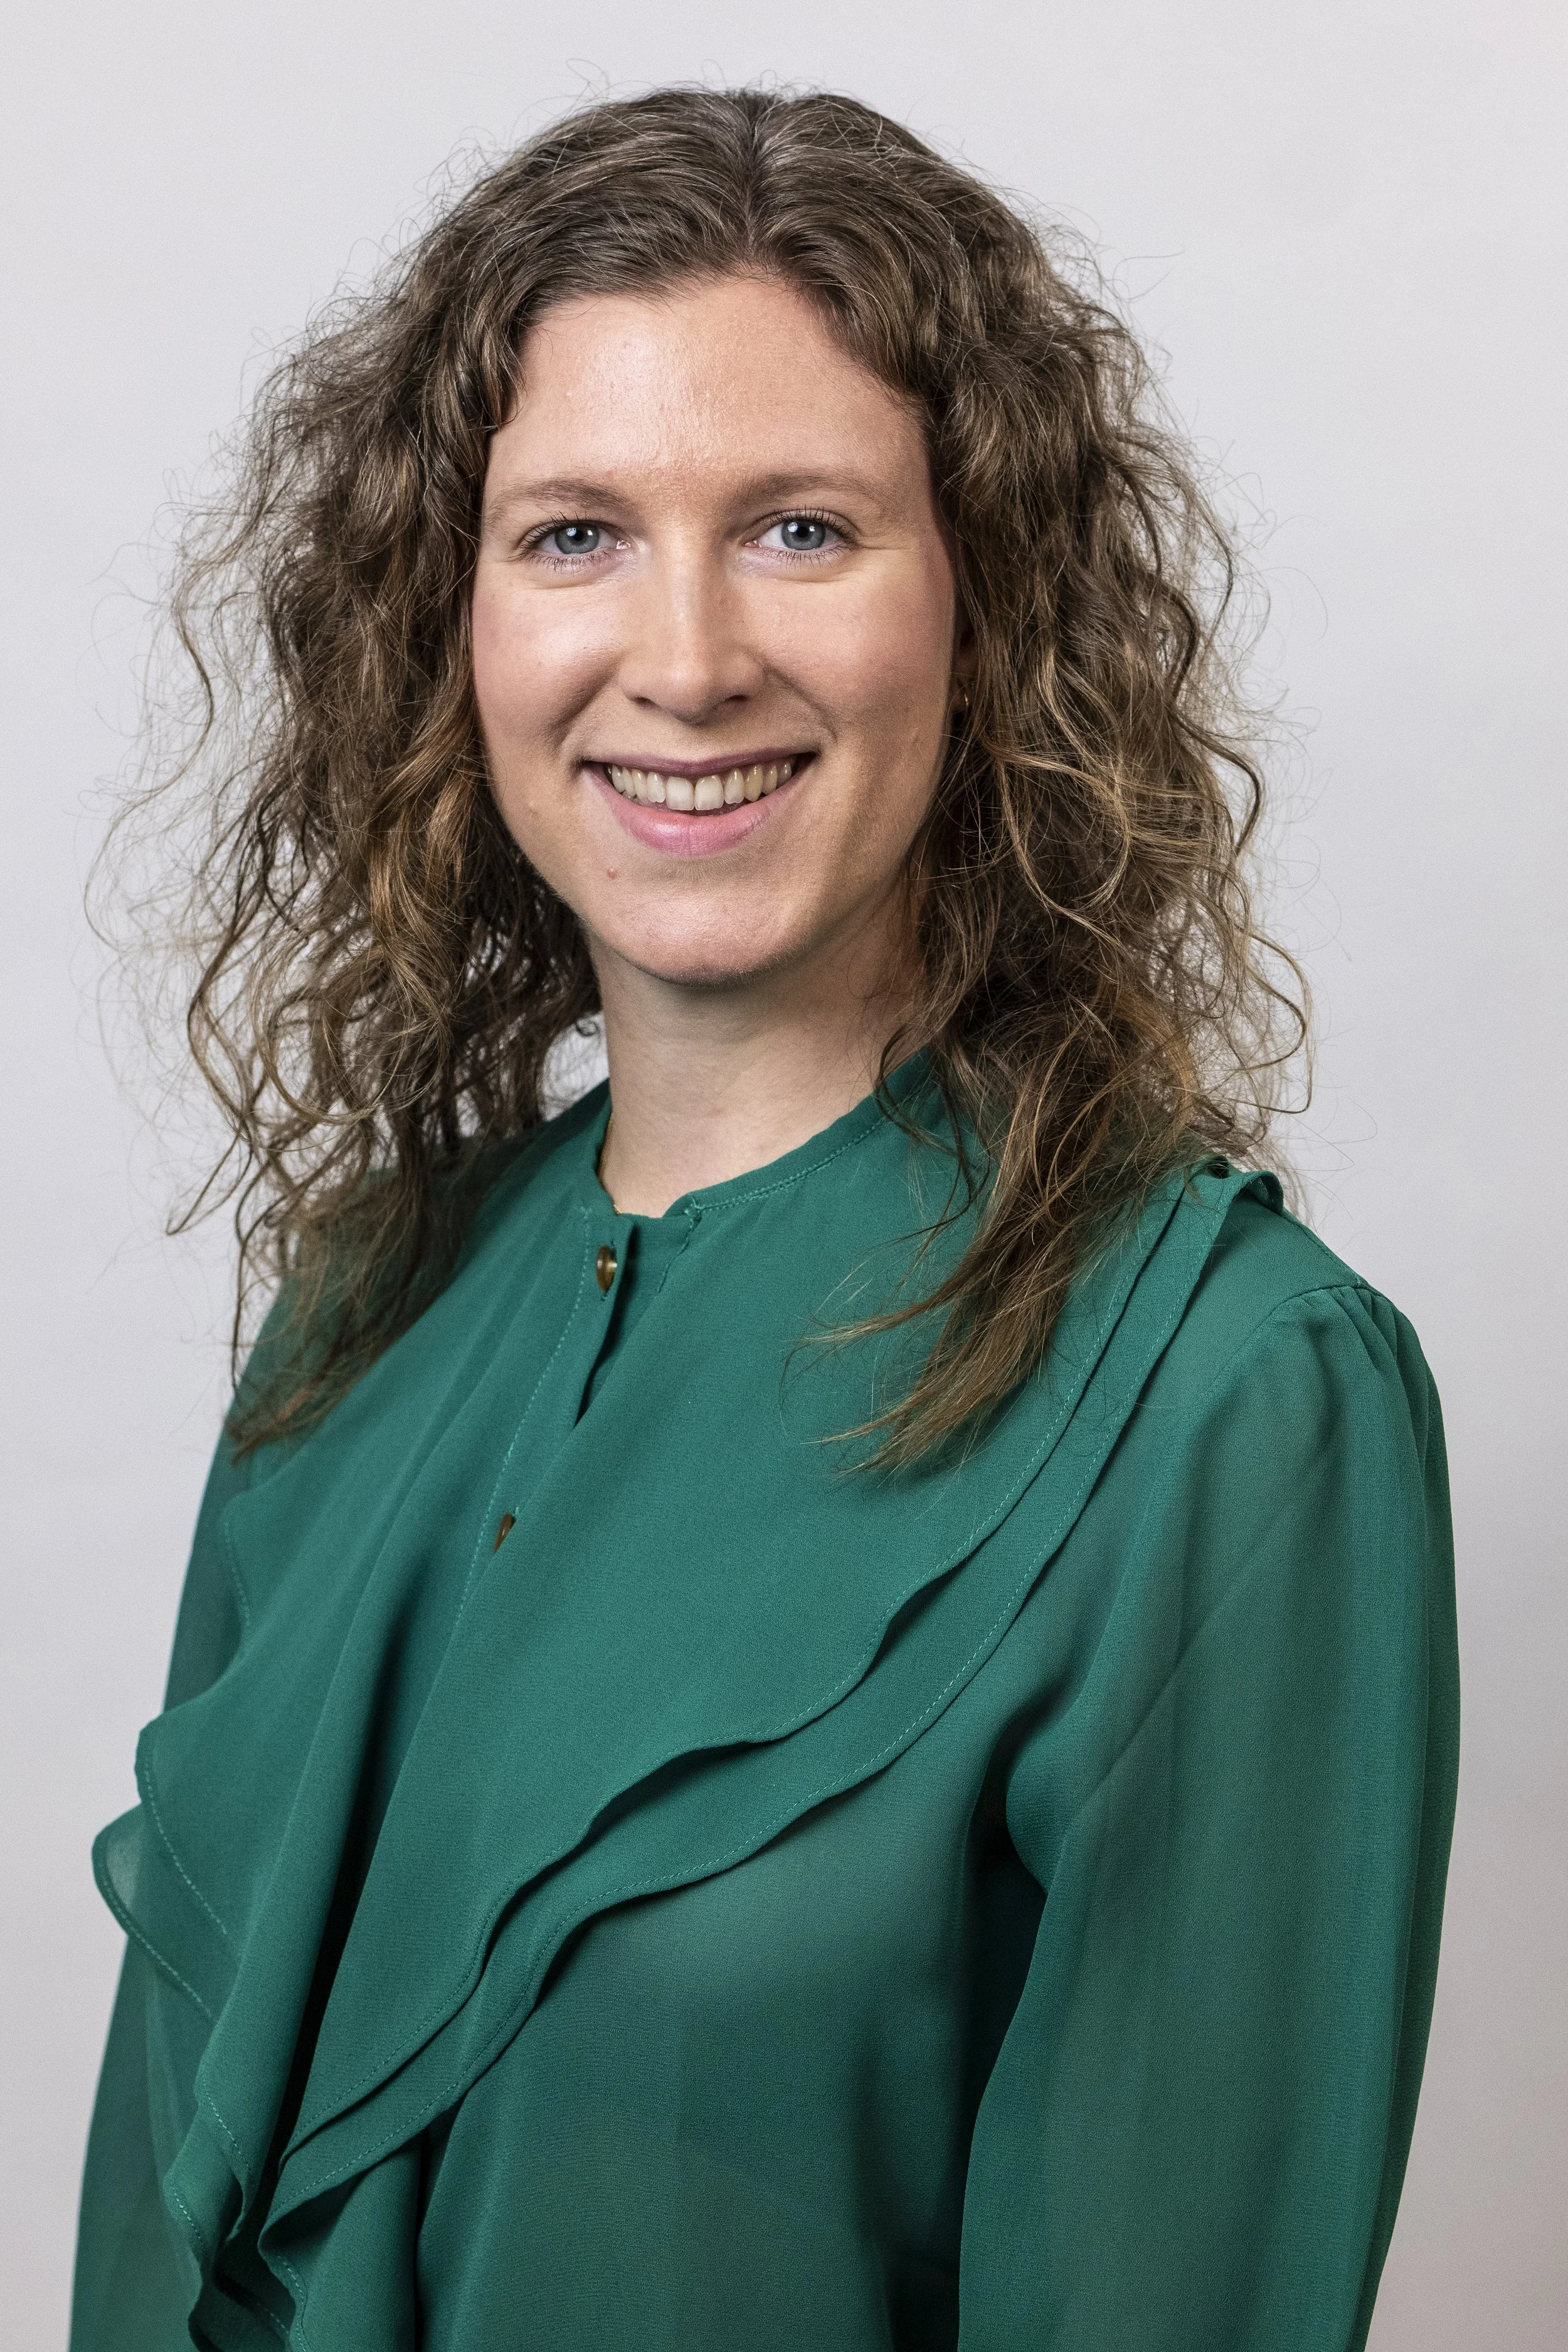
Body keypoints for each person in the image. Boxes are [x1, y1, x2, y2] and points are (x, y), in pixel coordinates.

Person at [70, 87, 1458, 2352]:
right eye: (574, 534)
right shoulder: (363, 1307)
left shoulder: (1230, 1397)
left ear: (983, 604)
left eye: (801, 527)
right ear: (454, 619)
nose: (689, 654)